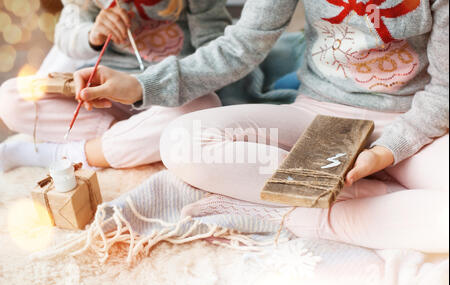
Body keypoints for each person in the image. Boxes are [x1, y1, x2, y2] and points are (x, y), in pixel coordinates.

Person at [12, 0, 450, 252]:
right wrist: (142, 85)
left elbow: (443, 94)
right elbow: (239, 46)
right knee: (184, 140)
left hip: (410, 122)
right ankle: (352, 205)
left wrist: (387, 151)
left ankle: (305, 216)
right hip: (314, 115)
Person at [0, 0, 230, 171]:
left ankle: (66, 154)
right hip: (106, 94)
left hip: (166, 93)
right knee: (10, 98)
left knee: (204, 107)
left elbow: (217, 50)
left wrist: (153, 83)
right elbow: (66, 34)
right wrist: (92, 34)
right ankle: (133, 139)